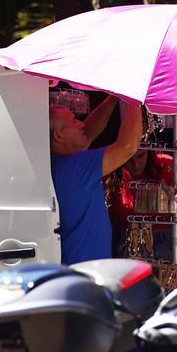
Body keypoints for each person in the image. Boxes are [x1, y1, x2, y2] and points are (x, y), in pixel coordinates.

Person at [50, 95, 143, 265]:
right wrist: (134, 97)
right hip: (85, 274)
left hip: (78, 269)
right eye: (74, 121)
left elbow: (90, 130)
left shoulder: (59, 163)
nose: (81, 124)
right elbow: (128, 146)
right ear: (59, 136)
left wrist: (113, 98)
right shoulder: (75, 167)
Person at [106, 149, 177, 261]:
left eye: (140, 156)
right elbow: (108, 216)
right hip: (133, 242)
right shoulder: (111, 172)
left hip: (175, 242)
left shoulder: (168, 165)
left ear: (149, 153)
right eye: (129, 158)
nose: (136, 164)